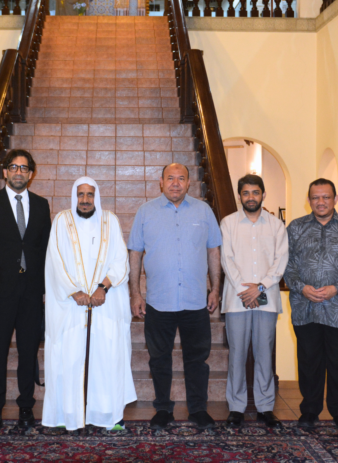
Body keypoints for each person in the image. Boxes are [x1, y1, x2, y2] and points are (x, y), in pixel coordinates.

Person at [128, 163, 222, 431]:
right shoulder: (145, 212)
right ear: (161, 182)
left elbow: (213, 251)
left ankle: (198, 409)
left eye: (181, 178)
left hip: (195, 300)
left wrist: (215, 289)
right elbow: (135, 253)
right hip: (159, 302)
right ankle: (162, 409)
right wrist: (135, 293)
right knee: (159, 359)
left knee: (197, 359)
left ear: (189, 183)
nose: (176, 183)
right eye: (171, 178)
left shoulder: (204, 211)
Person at [42, 177, 135, 431]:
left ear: (97, 197)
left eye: (90, 195)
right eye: (81, 195)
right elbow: (55, 260)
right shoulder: (61, 220)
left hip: (105, 305)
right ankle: (69, 415)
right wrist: (74, 291)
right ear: (75, 196)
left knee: (106, 359)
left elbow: (120, 259)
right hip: (71, 307)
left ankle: (107, 415)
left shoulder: (110, 221)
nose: (85, 200)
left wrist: (103, 287)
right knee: (70, 359)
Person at [0, 149, 52, 431]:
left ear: (31, 174)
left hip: (31, 292)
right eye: (14, 167)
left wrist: (47, 288)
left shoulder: (41, 205)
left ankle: (26, 406)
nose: (19, 172)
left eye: (24, 168)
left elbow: (46, 250)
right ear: (5, 172)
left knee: (28, 352)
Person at [284, 178, 338, 430]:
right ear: (309, 200)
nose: (320, 202)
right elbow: (285, 263)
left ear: (335, 199)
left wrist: (337, 287)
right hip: (305, 307)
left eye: (326, 197)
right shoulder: (295, 228)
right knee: (309, 362)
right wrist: (301, 287)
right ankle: (309, 410)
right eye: (315, 197)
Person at [220, 174, 288, 428]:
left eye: (255, 192)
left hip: (266, 298)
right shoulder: (228, 223)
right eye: (246, 193)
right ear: (240, 196)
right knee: (237, 354)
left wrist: (258, 288)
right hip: (237, 298)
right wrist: (245, 290)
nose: (251, 197)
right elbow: (226, 259)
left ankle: (265, 407)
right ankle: (236, 407)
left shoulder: (276, 226)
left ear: (263, 194)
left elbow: (280, 261)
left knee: (264, 354)